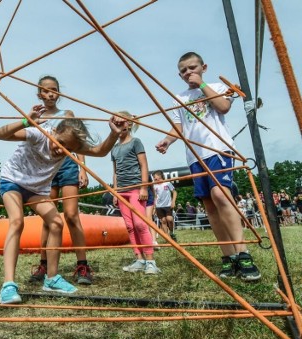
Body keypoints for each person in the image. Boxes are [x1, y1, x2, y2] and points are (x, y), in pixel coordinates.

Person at [0, 113, 126, 304]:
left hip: (36, 188)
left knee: (56, 222)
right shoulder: (38, 134)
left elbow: (99, 151)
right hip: (12, 180)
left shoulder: (68, 148)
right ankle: (8, 285)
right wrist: (25, 121)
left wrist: (114, 134)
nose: (61, 149)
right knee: (17, 221)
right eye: (60, 142)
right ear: (55, 131)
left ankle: (52, 278)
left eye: (68, 149)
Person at [155, 51, 261, 281]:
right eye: (183, 70)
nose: (188, 73)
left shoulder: (217, 87)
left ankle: (243, 254)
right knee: (210, 206)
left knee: (221, 195)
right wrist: (167, 140)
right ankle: (228, 257)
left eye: (192, 68)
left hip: (217, 150)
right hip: (195, 157)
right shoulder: (178, 98)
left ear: (204, 67)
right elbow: (179, 127)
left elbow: (223, 107)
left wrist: (201, 84)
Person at [26, 76, 93, 286]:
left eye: (54, 90)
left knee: (72, 214)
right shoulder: (36, 116)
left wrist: (83, 168)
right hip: (46, 168)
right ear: (39, 94)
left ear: (59, 93)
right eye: (45, 91)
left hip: (67, 165)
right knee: (48, 216)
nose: (50, 94)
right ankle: (44, 264)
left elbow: (79, 142)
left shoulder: (67, 115)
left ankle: (82, 264)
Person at [111, 112, 160, 275]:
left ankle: (151, 261)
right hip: (122, 191)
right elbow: (115, 172)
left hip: (136, 189)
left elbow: (144, 165)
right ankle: (139, 259)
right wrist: (115, 192)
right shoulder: (115, 148)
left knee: (140, 224)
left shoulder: (136, 142)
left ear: (129, 124)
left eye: (121, 122)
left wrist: (144, 188)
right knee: (130, 227)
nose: (118, 125)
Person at [152, 170, 177, 240]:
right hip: (159, 206)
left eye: (155, 177)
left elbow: (174, 192)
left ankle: (171, 232)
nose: (154, 179)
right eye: (153, 178)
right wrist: (154, 207)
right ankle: (167, 237)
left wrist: (173, 201)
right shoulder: (154, 186)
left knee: (169, 219)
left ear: (160, 176)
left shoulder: (167, 183)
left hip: (168, 205)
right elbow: (155, 196)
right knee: (163, 221)